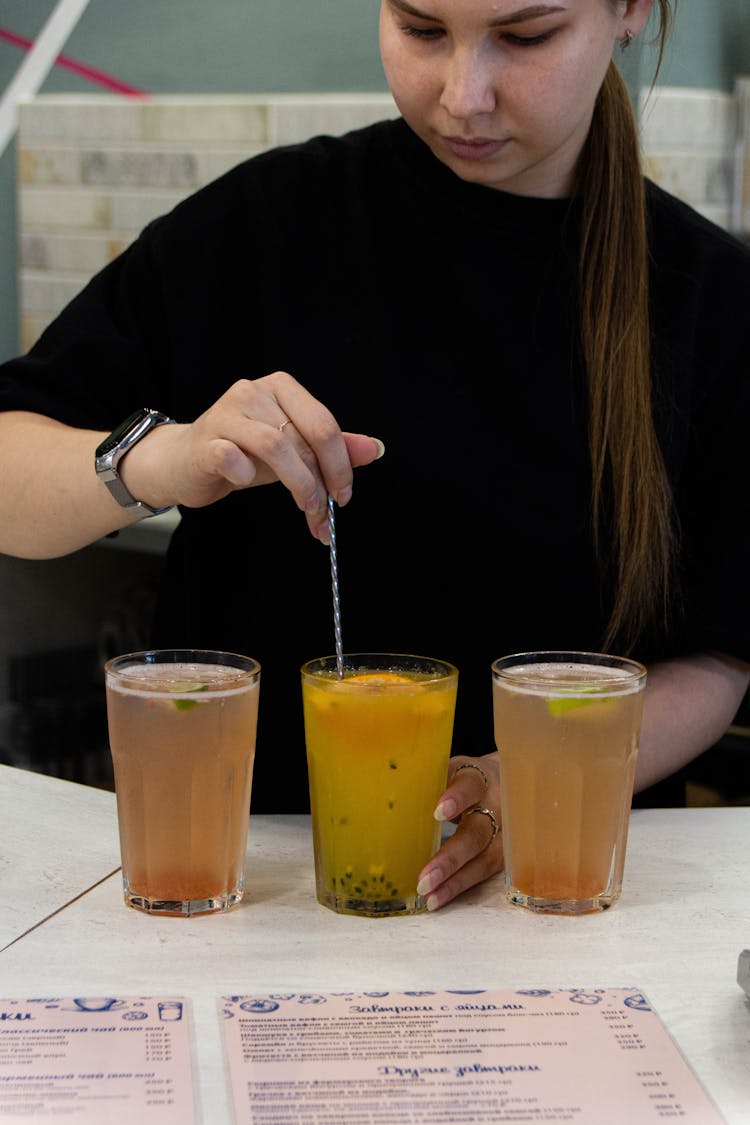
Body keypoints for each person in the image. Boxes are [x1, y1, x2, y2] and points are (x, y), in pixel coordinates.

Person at [0, 0, 748, 911]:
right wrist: (166, 460)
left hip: (558, 899)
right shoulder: (263, 226)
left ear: (629, 11)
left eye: (525, 37)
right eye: (421, 28)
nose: (462, 96)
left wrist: (532, 786)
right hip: (246, 900)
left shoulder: (709, 298)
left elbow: (719, 653)